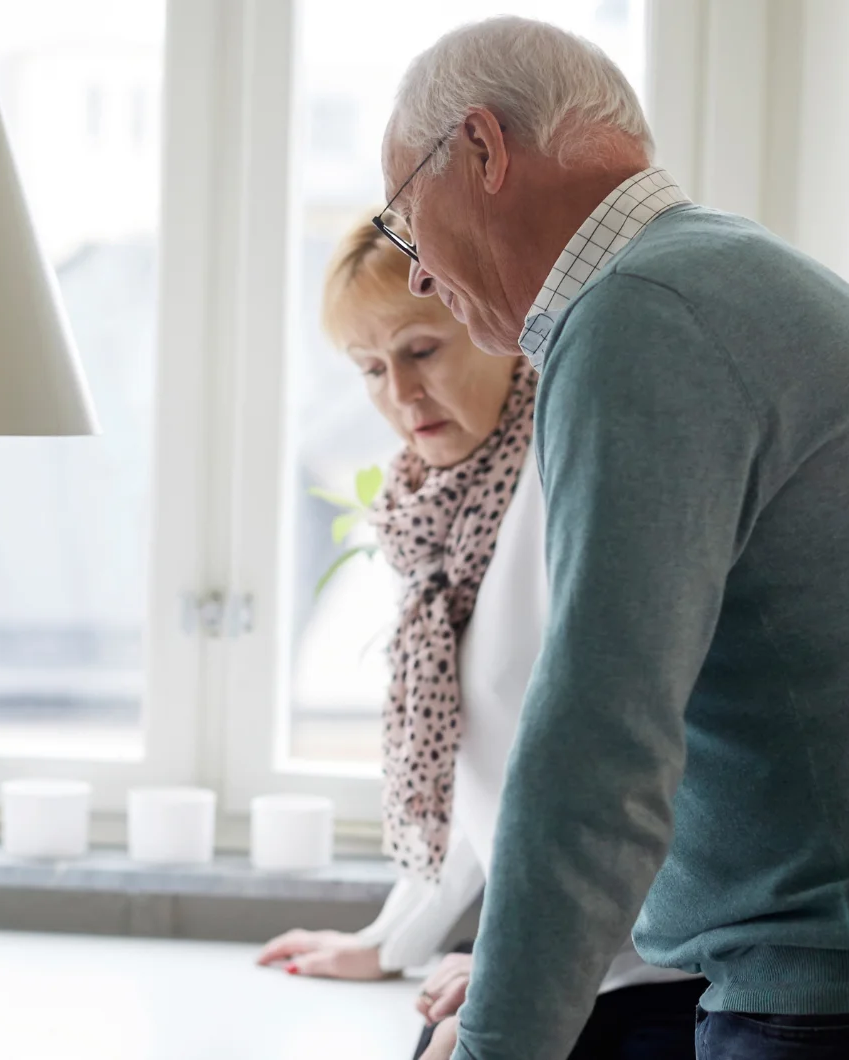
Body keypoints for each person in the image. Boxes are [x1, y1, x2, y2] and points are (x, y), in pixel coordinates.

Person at [374, 16, 849, 1060]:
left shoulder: (640, 317)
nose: (414, 273)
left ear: (484, 150)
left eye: (405, 221)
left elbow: (599, 747)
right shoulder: (711, 277)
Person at [256, 214, 702, 1060]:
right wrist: (392, 942)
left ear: (498, 330)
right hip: (568, 958)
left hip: (656, 976)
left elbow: (608, 779)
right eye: (370, 369)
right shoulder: (449, 513)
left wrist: (513, 979)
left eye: (421, 351)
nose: (399, 393)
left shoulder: (568, 482)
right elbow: (484, 778)